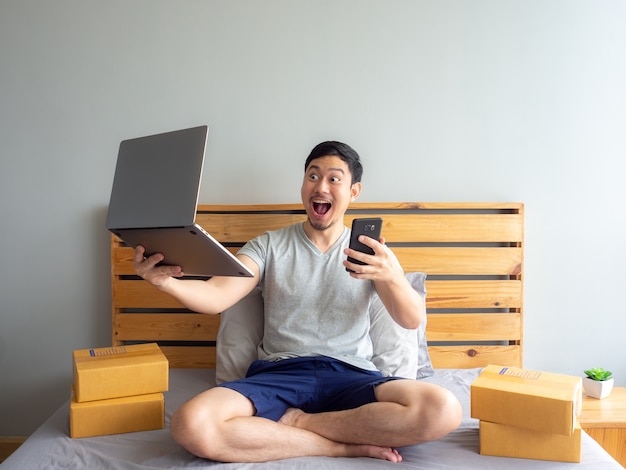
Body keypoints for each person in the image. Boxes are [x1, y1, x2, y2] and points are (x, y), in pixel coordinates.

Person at [134, 141, 462, 463]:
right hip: (279, 374)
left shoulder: (373, 255)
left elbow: (410, 320)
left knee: (443, 409)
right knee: (190, 424)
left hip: (352, 375)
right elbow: (217, 295)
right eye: (313, 176)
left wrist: (390, 276)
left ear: (353, 191)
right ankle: (337, 446)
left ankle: (301, 424)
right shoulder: (268, 246)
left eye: (334, 179)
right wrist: (168, 282)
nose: (321, 186)